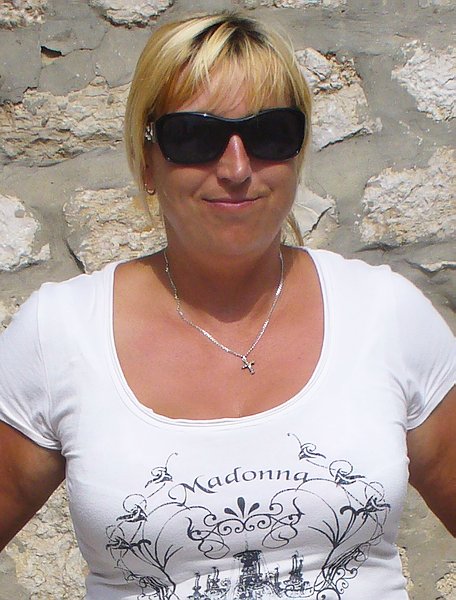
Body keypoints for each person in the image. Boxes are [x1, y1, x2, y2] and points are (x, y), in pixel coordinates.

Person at [0, 11, 454, 600]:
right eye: (194, 136)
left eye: (270, 134)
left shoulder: (385, 314)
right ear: (147, 160)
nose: (237, 168)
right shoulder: (61, 332)